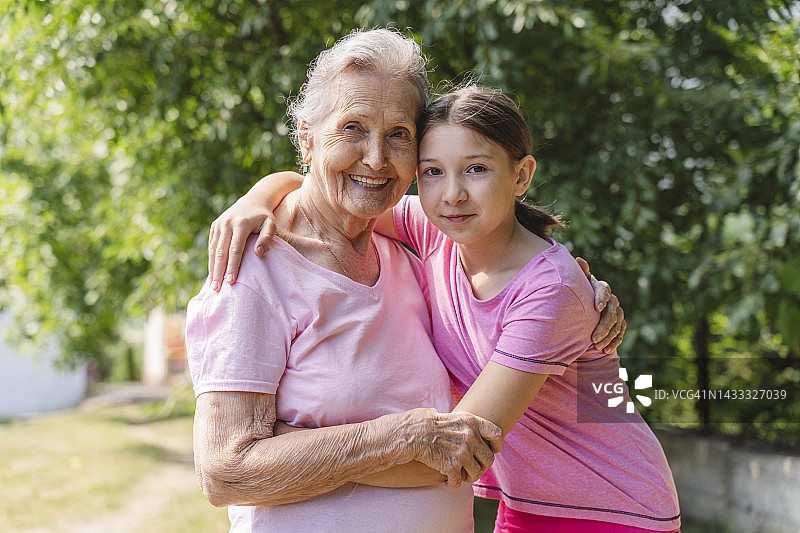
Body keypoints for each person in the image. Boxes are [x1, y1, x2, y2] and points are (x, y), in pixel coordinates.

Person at [213, 85, 680, 532]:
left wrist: (290, 447)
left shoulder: (549, 291)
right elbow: (322, 193)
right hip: (528, 504)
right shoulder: (434, 229)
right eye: (433, 172)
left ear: (521, 175)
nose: (452, 193)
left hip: (613, 507)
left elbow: (453, 454)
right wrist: (254, 199)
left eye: (476, 169)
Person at [186, 29, 506, 533]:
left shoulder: (413, 247)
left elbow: (509, 252)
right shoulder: (254, 269)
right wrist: (395, 437)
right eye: (352, 128)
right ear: (306, 138)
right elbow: (226, 470)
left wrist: (582, 293)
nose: (377, 159)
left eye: (399, 133)